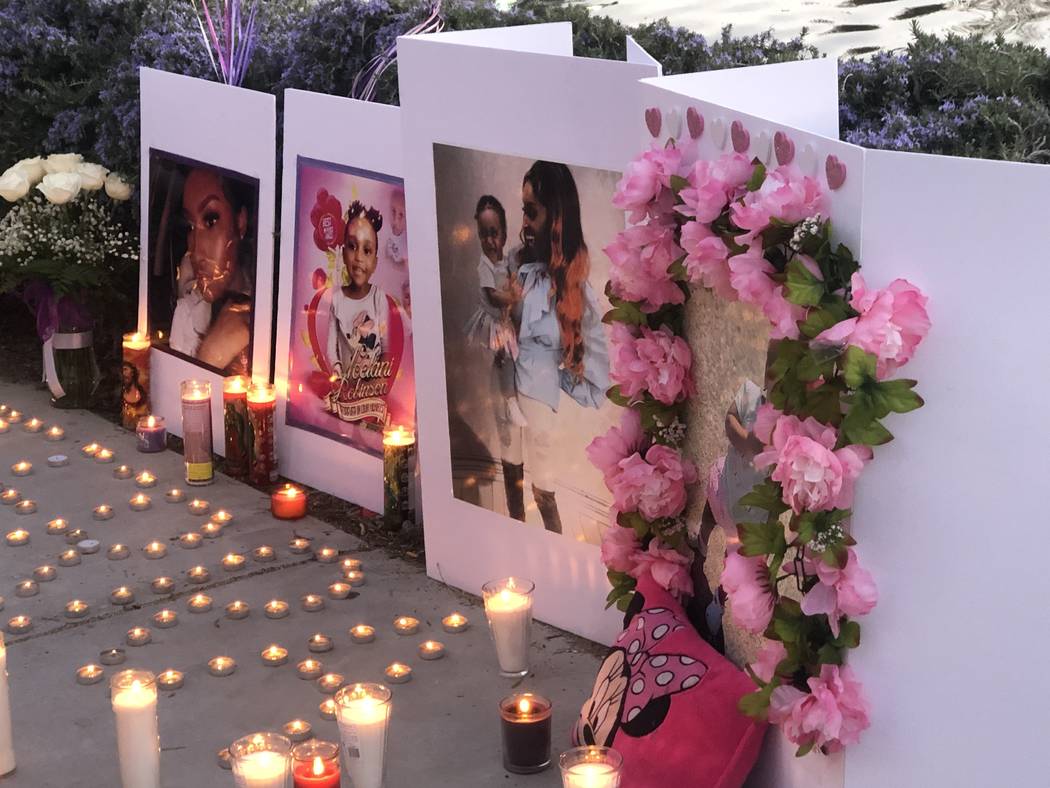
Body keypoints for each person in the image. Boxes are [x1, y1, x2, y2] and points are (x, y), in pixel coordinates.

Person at [500, 161, 610, 533]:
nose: (526, 223)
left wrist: (557, 377)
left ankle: (554, 543)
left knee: (542, 483)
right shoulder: (518, 268)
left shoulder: (576, 292)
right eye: (523, 211)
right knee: (511, 463)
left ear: (556, 217)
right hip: (505, 389)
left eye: (533, 212)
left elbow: (597, 377)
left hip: (540, 401)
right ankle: (514, 534)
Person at [169, 167, 254, 374]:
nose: (196, 250)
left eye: (210, 220)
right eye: (190, 226)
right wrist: (209, 355)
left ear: (240, 222)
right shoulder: (188, 313)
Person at [463, 195, 528, 430]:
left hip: (504, 320)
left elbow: (512, 275)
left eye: (494, 233)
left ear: (504, 232)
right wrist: (511, 296)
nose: (490, 240)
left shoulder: (505, 260)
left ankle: (510, 402)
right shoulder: (484, 265)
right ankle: (510, 405)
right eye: (484, 234)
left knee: (511, 356)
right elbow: (493, 295)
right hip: (491, 322)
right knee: (505, 357)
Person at [327, 200, 404, 378]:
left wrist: (377, 383)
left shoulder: (378, 298)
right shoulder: (337, 299)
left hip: (371, 392)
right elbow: (331, 349)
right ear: (344, 252)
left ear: (375, 262)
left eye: (367, 250)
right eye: (352, 247)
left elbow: (386, 349)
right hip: (345, 391)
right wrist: (337, 374)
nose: (359, 257)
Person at [385, 188, 408, 267]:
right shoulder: (386, 226)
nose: (395, 218)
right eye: (393, 211)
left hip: (397, 263)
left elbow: (405, 265)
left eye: (401, 215)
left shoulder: (406, 243)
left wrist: (393, 265)